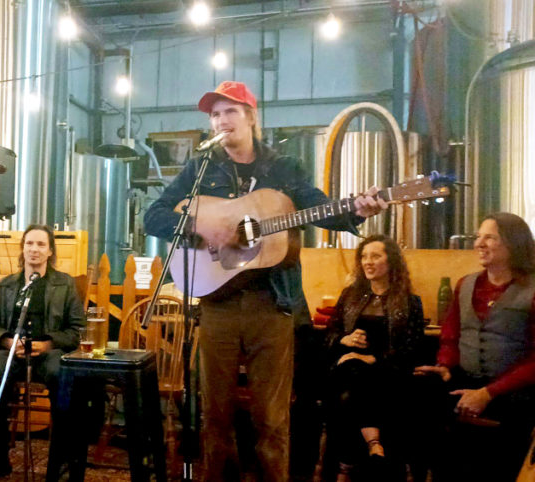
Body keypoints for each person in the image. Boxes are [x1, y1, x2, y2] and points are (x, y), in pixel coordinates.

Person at [143, 80, 387, 481]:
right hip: (217, 303)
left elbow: (320, 209)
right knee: (214, 416)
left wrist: (356, 211)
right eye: (215, 114)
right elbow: (153, 216)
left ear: (252, 117)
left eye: (231, 111)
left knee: (272, 420)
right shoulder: (201, 168)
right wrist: (202, 230)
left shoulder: (284, 168)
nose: (222, 120)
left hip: (273, 305)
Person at [414, 212, 535, 481]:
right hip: (466, 378)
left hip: (513, 389)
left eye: (490, 237)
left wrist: (488, 393)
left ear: (513, 243)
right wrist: (445, 365)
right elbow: (450, 335)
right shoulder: (465, 284)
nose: (479, 243)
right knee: (418, 393)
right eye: (478, 236)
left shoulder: (532, 288)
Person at [0, 224, 85, 478]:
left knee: (62, 376)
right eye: (29, 244)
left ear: (50, 252)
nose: (34, 249)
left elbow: (77, 330)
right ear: (22, 248)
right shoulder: (5, 286)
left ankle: (60, 461)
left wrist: (48, 344)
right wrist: (8, 342)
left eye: (40, 245)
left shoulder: (65, 284)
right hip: (12, 350)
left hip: (50, 351)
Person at [324, 235, 425, 481]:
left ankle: (346, 465)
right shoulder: (350, 295)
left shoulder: (410, 302)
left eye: (375, 256)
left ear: (391, 262)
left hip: (387, 371)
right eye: (364, 257)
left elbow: (413, 349)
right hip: (347, 365)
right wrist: (344, 340)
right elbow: (330, 334)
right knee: (351, 371)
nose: (368, 262)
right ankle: (374, 444)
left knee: (349, 392)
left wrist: (376, 359)